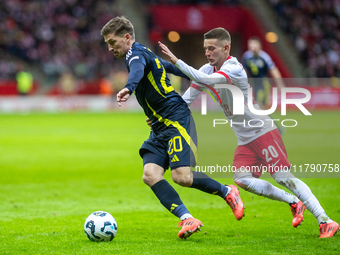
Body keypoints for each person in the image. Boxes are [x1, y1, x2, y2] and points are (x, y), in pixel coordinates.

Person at [158, 27, 339, 238]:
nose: (207, 53)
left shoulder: (233, 68)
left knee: (283, 177)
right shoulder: (207, 70)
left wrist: (177, 62)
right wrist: (162, 117)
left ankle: (326, 220)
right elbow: (186, 99)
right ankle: (293, 201)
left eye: (212, 48)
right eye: (205, 49)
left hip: (263, 132)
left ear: (226, 48)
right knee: (242, 179)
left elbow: (206, 81)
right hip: (245, 139)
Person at [101, 17, 244, 239]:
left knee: (182, 177)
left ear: (127, 38)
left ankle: (227, 191)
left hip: (176, 120)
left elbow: (137, 71)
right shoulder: (144, 53)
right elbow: (166, 66)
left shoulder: (135, 55)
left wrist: (129, 88)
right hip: (159, 125)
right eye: (107, 44)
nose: (110, 48)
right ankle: (187, 218)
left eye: (112, 42)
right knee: (150, 174)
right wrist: (194, 76)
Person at [241, 36, 285, 109]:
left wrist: (280, 84)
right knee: (259, 104)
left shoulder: (264, 57)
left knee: (259, 103)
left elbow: (273, 70)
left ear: (259, 45)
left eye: (253, 44)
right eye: (250, 44)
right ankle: (265, 118)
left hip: (264, 83)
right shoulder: (246, 56)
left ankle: (263, 118)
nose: (251, 46)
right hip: (254, 83)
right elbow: (244, 71)